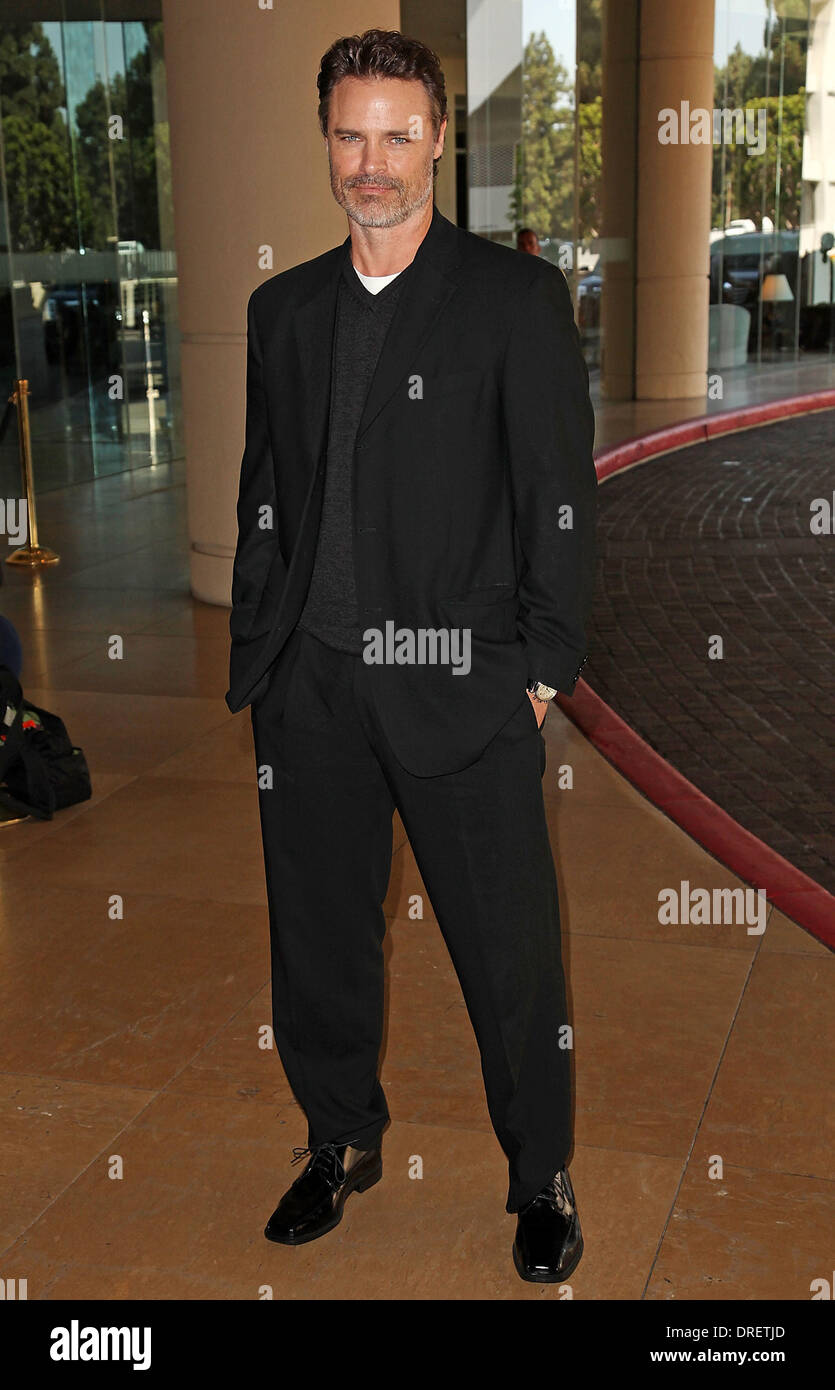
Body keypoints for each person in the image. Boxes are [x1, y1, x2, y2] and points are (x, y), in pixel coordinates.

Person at [226, 27, 597, 1284]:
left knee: (508, 949)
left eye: (396, 134)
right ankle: (338, 1141)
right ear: (324, 140)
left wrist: (539, 670)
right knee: (319, 939)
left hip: (461, 681)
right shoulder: (281, 311)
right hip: (312, 690)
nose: (371, 164)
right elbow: (264, 493)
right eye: (349, 135)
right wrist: (261, 654)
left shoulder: (511, 301)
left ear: (438, 137)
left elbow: (558, 497)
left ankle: (538, 1175)